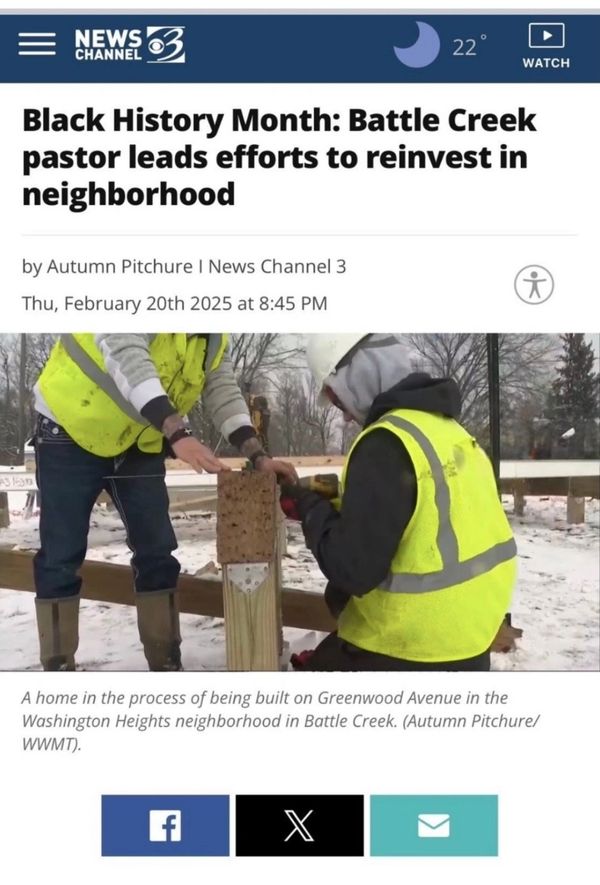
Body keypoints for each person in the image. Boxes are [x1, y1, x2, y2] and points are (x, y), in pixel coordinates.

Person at [32, 333, 297, 671]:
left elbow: (222, 391)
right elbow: (129, 359)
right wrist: (178, 433)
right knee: (61, 555)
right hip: (70, 426)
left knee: (157, 551)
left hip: (138, 438)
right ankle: (57, 668)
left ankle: (166, 665)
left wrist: (257, 455)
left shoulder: (214, 336)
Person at [281, 333, 517, 671]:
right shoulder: (449, 432)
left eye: (337, 400)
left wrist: (309, 508)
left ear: (355, 375)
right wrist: (325, 495)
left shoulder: (384, 442)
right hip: (472, 643)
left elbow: (351, 571)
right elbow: (412, 506)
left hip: (414, 649)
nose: (346, 416)